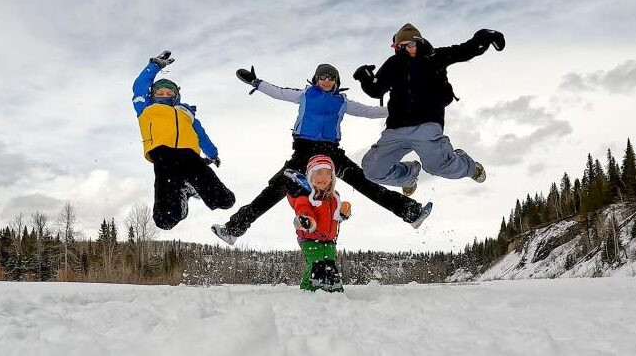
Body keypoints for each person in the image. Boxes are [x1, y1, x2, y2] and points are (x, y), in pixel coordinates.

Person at [211, 63, 432, 245]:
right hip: (303, 152)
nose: (326, 81)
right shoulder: (305, 95)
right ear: (316, 80)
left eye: (331, 78)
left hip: (331, 153)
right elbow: (279, 92)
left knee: (364, 182)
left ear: (337, 82)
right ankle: (233, 230)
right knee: (275, 189)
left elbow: (369, 111)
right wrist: (256, 83)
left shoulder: (342, 102)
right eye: (322, 78)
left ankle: (411, 213)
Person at [353, 23, 505, 195]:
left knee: (438, 167)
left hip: (426, 124)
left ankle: (469, 167)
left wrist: (485, 36)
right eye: (401, 47)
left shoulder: (434, 57)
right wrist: (365, 78)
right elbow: (376, 90)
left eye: (411, 44)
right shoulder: (394, 64)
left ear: (419, 42)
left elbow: (465, 50)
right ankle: (408, 176)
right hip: (395, 128)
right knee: (372, 170)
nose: (408, 49)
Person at [132, 50, 235, 230]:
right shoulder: (145, 107)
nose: (164, 95)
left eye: (168, 92)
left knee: (226, 200)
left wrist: (212, 153)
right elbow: (139, 86)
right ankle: (184, 193)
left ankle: (189, 187)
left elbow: (201, 134)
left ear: (175, 96)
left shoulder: (186, 112)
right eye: (160, 92)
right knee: (164, 220)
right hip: (162, 155)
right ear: (152, 95)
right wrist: (154, 65)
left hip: (189, 156)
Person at [287, 155, 350, 292]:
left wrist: (344, 212)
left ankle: (332, 287)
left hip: (329, 240)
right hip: (309, 238)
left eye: (327, 173)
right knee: (316, 262)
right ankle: (309, 288)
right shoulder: (305, 196)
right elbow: (303, 209)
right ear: (310, 176)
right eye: (318, 173)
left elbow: (337, 217)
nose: (323, 177)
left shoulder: (334, 198)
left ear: (332, 178)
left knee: (329, 263)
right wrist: (307, 221)